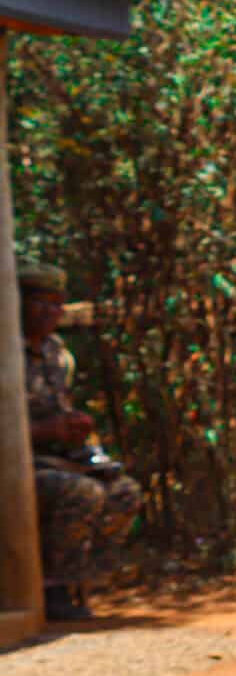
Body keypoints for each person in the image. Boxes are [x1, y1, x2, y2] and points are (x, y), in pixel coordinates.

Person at [16, 258, 140, 624]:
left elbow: (60, 409)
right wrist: (44, 431)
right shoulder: (6, 353)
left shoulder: (57, 353)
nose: (50, 312)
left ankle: (81, 580)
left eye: (57, 303)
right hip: (13, 468)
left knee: (124, 491)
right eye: (40, 302)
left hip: (53, 459)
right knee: (80, 492)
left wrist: (75, 429)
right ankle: (52, 589)